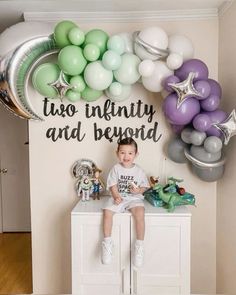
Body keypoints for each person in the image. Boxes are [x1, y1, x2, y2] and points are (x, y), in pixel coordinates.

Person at [101, 137, 150, 267]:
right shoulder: (116, 169)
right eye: (122, 152)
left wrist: (138, 190)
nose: (126, 156)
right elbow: (112, 185)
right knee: (107, 212)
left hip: (133, 198)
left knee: (140, 213)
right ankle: (107, 243)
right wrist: (116, 196)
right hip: (119, 198)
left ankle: (139, 246)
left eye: (130, 153)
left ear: (136, 154)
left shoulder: (139, 171)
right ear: (117, 153)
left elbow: (145, 187)